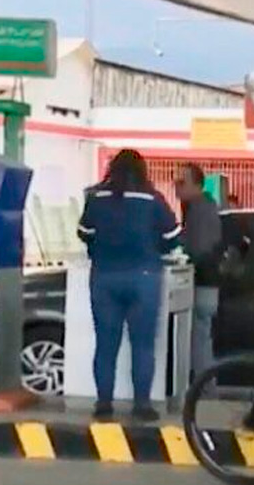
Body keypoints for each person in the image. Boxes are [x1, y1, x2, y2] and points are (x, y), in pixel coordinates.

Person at [77, 149, 181, 422]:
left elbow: (84, 233)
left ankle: (103, 405)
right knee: (143, 344)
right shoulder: (152, 198)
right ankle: (142, 405)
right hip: (144, 277)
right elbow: (173, 237)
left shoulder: (96, 198)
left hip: (105, 277)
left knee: (106, 344)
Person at [174, 163, 224, 378]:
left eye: (182, 182)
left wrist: (182, 253)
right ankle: (203, 386)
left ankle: (203, 387)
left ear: (197, 185)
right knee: (200, 337)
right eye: (175, 181)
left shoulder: (199, 209)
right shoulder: (203, 207)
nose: (177, 187)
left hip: (202, 281)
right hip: (207, 281)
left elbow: (200, 248)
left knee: (198, 338)